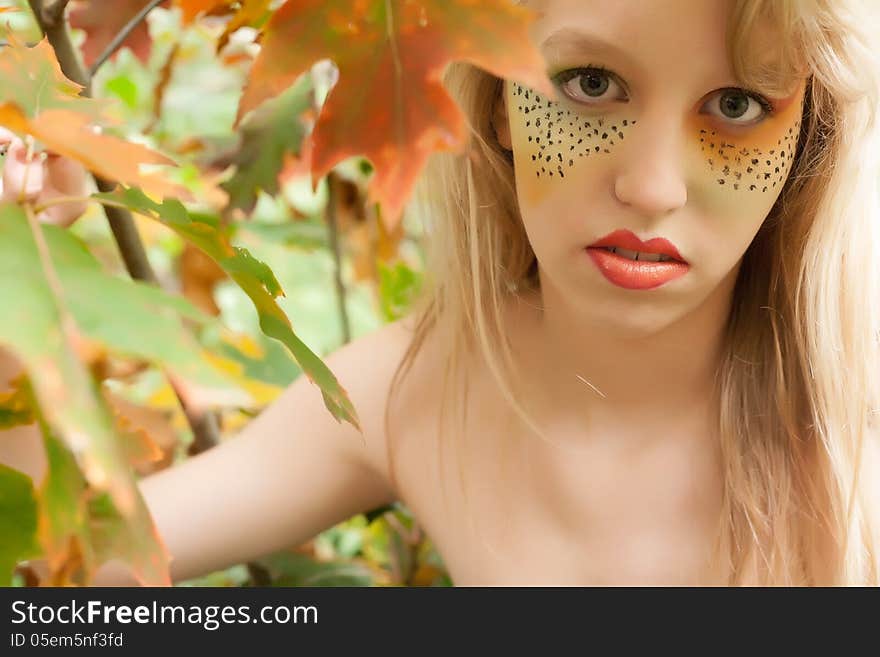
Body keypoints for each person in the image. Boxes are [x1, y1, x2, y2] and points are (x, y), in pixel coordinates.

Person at [5, 0, 880, 586]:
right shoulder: (420, 390)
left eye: (735, 104)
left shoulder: (856, 428)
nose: (651, 188)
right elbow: (83, 568)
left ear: (809, 136)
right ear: (497, 101)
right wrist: (25, 273)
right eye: (590, 85)